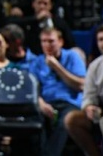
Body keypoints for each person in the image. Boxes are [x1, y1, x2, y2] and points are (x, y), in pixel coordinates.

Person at [29, 27, 86, 156]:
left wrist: (57, 67)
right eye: (43, 41)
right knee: (37, 121)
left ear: (60, 42)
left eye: (51, 41)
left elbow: (81, 85)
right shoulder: (37, 62)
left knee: (64, 121)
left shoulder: (72, 57)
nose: (47, 45)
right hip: (47, 103)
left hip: (70, 103)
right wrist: (41, 104)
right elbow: (33, 90)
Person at [65, 23, 103, 155]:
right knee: (72, 119)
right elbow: (88, 95)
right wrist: (89, 107)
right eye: (100, 39)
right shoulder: (95, 66)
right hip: (102, 110)